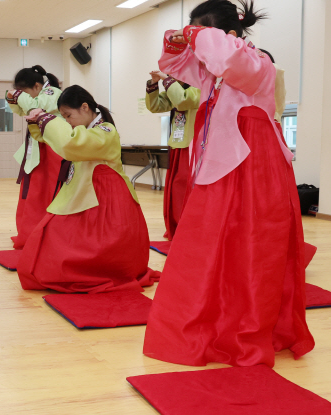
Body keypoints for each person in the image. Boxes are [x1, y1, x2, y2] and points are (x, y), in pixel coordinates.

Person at [143, 0, 314, 367]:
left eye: (204, 37)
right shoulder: (211, 72)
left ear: (230, 36)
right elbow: (174, 65)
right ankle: (216, 318)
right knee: (211, 241)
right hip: (221, 160)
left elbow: (228, 61)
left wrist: (199, 35)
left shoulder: (256, 62)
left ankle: (246, 324)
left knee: (252, 242)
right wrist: (178, 40)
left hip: (254, 161)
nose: (198, 48)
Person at [17, 85, 159, 293]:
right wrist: (40, 124)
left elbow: (71, 144)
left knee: (91, 245)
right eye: (64, 117)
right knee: (53, 236)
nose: (67, 121)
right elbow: (58, 140)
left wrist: (48, 120)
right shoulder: (88, 129)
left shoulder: (106, 130)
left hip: (106, 197)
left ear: (85, 108)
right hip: (84, 191)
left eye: (68, 115)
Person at [6, 65, 63, 250]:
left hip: (52, 149)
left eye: (25, 91)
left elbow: (35, 109)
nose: (23, 95)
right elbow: (22, 111)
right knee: (33, 193)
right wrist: (13, 100)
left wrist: (18, 97)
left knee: (48, 192)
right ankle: (30, 232)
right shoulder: (38, 94)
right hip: (38, 148)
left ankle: (49, 233)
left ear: (37, 86)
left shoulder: (52, 92)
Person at [145, 71, 200, 240]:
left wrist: (168, 81)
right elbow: (155, 106)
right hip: (177, 144)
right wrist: (153, 84)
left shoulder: (199, 87)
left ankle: (188, 228)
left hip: (193, 146)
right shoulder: (176, 89)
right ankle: (177, 226)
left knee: (185, 190)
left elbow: (182, 100)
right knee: (175, 190)